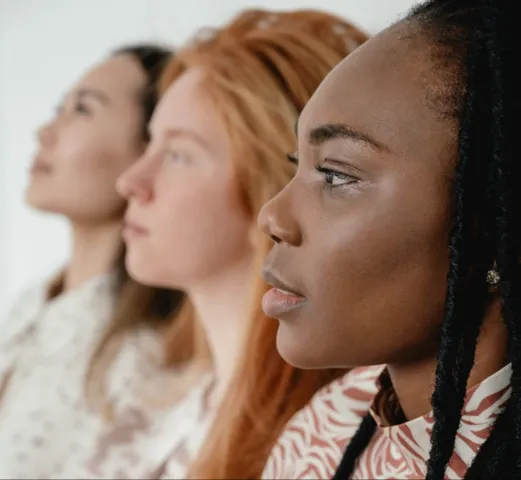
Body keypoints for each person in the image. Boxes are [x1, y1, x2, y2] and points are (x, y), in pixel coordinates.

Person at [259, 0, 518, 478]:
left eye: (336, 174)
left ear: (496, 225)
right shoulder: (324, 430)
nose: (272, 216)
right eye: (298, 166)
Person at [116, 9, 368, 479]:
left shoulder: (333, 442)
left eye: (177, 154)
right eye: (150, 144)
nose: (130, 181)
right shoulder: (155, 399)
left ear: (274, 187)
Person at [0, 44, 188, 479]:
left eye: (82, 110)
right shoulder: (31, 309)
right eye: (58, 108)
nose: (46, 131)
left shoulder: (144, 358)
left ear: (153, 145)